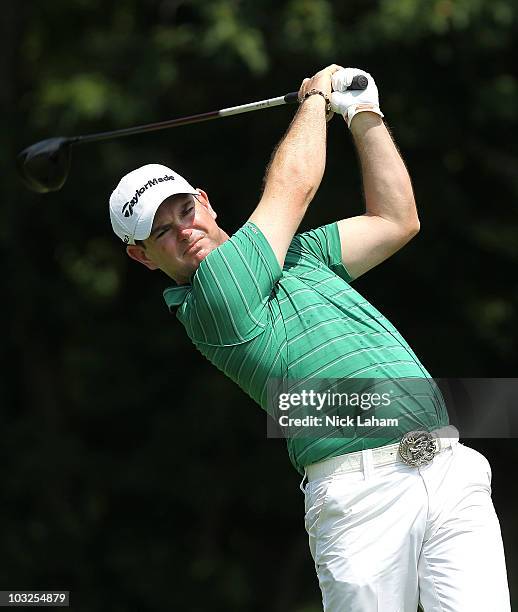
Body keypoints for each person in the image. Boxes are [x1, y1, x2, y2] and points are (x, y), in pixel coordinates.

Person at [109, 65, 510, 611]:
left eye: (186, 209)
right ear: (142, 256)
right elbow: (294, 187)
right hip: (359, 497)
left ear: (205, 200)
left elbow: (397, 220)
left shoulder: (302, 254)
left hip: (444, 463)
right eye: (162, 232)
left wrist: (365, 113)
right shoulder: (213, 300)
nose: (185, 229)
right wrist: (317, 100)